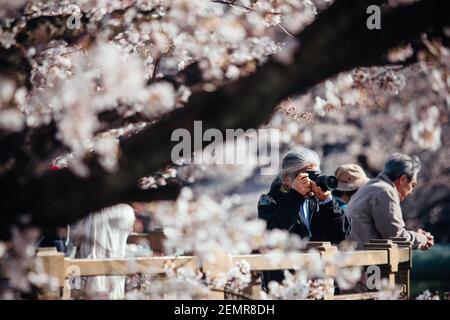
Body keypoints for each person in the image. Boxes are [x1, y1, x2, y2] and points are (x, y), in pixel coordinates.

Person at [257, 148, 351, 290]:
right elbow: (273, 234)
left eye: (315, 175)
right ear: (286, 179)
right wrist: (295, 196)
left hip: (320, 282)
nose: (312, 181)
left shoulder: (318, 199)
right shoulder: (269, 200)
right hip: (285, 283)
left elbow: (341, 234)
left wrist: (327, 202)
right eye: (306, 176)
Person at [347, 153, 434, 250]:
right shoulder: (385, 191)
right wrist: (421, 239)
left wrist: (416, 236)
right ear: (403, 179)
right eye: (412, 185)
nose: (410, 192)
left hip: (355, 255)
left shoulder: (371, 186)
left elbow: (389, 231)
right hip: (368, 262)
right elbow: (396, 237)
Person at [70, 203, 135, 299]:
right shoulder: (128, 211)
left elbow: (74, 238)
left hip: (92, 281)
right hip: (115, 279)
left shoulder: (93, 214)